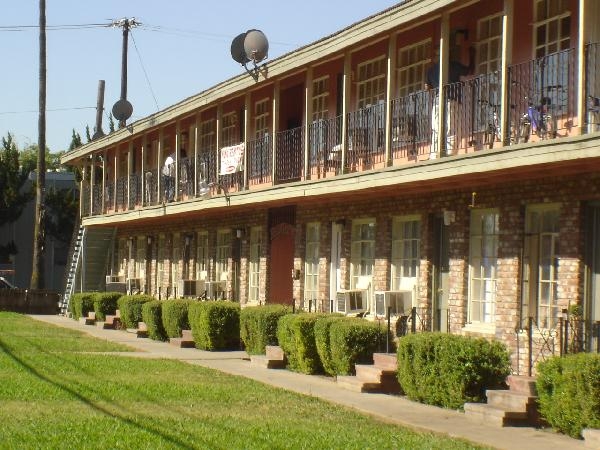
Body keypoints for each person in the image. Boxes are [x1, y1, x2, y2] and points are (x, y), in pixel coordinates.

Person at [425, 36, 475, 158]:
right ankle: (450, 153)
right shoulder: (452, 65)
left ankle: (434, 155)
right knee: (452, 127)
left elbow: (427, 87)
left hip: (437, 101)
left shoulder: (431, 70)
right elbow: (469, 71)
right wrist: (472, 54)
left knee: (436, 129)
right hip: (451, 99)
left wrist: (436, 85)